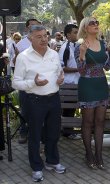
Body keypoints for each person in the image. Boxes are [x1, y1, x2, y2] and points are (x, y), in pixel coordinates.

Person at [12, 25, 65, 182]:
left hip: (54, 98)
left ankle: (52, 161)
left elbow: (57, 72)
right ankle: (36, 167)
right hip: (34, 100)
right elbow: (16, 83)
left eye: (45, 36)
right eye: (39, 36)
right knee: (35, 135)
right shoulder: (23, 57)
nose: (43, 39)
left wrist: (59, 79)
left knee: (53, 133)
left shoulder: (54, 54)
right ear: (30, 38)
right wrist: (33, 83)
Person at [76, 17, 110, 170]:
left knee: (100, 122)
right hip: (87, 86)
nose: (96, 25)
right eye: (92, 23)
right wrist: (82, 54)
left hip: (101, 85)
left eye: (97, 23)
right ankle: (88, 154)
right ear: (85, 27)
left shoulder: (102, 44)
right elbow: (81, 71)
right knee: (88, 122)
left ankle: (99, 154)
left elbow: (107, 67)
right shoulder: (81, 45)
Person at [15, 18, 41, 144]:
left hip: (41, 83)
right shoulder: (20, 44)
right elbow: (16, 63)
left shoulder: (44, 41)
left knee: (40, 111)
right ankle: (23, 133)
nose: (34, 28)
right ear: (27, 28)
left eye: (37, 26)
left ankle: (39, 134)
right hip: (26, 83)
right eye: (32, 26)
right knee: (25, 110)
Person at [58, 24, 81, 139]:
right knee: (68, 108)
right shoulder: (64, 48)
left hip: (75, 83)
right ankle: (67, 132)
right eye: (75, 32)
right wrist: (78, 69)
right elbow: (61, 67)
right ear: (68, 35)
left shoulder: (75, 46)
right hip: (68, 84)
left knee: (71, 108)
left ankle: (67, 131)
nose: (77, 34)